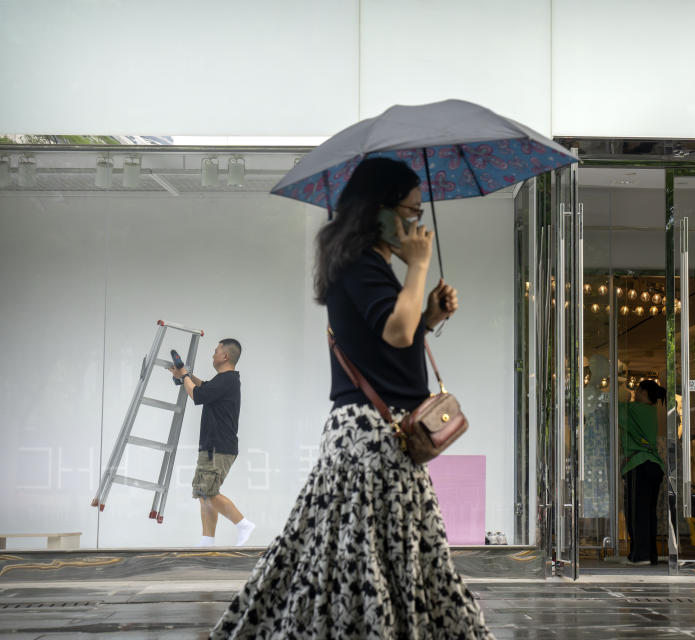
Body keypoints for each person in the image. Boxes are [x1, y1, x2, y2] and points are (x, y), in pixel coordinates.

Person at [210, 158, 492, 638]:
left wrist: (429, 316)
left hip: (380, 440)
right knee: (369, 559)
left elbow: (388, 342)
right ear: (377, 210)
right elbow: (397, 333)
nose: (416, 224)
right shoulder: (362, 265)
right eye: (409, 211)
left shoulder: (370, 267)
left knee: (373, 554)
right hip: (371, 440)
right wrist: (419, 267)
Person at [170, 339, 255, 547]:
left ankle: (243, 524)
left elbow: (198, 395)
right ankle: (207, 540)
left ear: (225, 356)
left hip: (219, 447)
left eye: (216, 351)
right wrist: (186, 377)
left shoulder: (228, 380)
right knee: (203, 494)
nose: (213, 354)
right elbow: (204, 387)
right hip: (212, 446)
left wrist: (184, 377)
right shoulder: (224, 380)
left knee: (207, 492)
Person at [619, 379, 666, 565]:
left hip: (640, 464)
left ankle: (640, 555)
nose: (634, 394)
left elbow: (617, 411)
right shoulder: (652, 411)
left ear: (644, 393)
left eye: (637, 390)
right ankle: (650, 554)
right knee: (648, 513)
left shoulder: (637, 409)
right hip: (653, 465)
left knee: (636, 512)